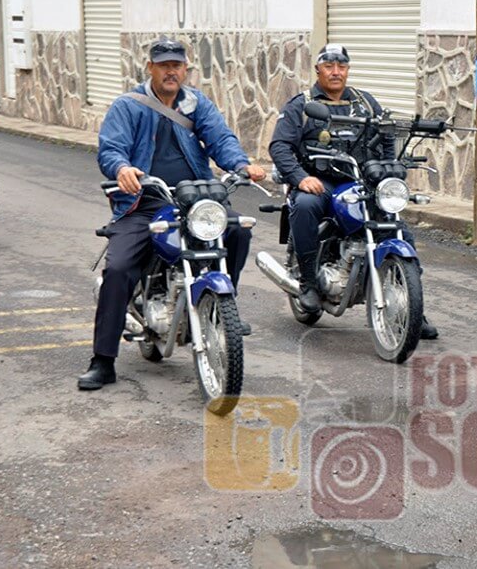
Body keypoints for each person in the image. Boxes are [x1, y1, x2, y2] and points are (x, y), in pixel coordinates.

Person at [79, 36, 266, 390]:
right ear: (150, 67)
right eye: (163, 65)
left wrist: (241, 165)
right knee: (119, 267)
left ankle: (222, 309)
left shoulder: (197, 104)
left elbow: (220, 139)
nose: (171, 72)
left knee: (237, 230)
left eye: (176, 65)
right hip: (144, 201)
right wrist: (122, 169)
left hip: (195, 198)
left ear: (185, 69)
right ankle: (102, 360)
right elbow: (111, 149)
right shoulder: (128, 106)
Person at [268, 43, 438, 339]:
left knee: (397, 228)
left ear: (347, 69)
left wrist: (389, 168)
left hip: (359, 181)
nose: (336, 72)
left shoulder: (365, 103)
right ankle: (308, 283)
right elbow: (280, 146)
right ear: (318, 69)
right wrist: (300, 178)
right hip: (320, 181)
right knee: (305, 205)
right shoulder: (302, 104)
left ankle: (411, 307)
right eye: (329, 66)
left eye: (341, 66)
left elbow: (386, 136)